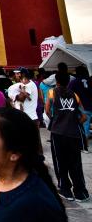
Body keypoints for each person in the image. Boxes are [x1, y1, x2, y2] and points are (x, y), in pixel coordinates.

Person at [46, 71, 89, 202]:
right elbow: (84, 116)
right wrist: (73, 122)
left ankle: (66, 190)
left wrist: (56, 120)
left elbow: (47, 111)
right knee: (75, 163)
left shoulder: (52, 93)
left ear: (56, 81)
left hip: (58, 133)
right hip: (73, 133)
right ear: (68, 82)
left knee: (60, 162)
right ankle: (80, 192)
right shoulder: (74, 95)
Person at [69, 66, 92, 141]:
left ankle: (84, 144)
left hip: (80, 106)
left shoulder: (74, 82)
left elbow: (69, 93)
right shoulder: (90, 80)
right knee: (87, 124)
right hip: (90, 105)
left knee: (84, 125)